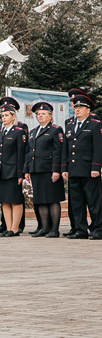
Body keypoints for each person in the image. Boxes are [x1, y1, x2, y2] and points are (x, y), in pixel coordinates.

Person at [61, 94, 102, 240]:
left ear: (88, 110)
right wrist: (64, 168)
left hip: (88, 169)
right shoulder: (70, 125)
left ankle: (98, 228)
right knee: (76, 202)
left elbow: (98, 148)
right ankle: (80, 229)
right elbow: (66, 148)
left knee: (93, 201)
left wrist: (96, 167)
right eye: (76, 107)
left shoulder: (95, 124)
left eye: (81, 107)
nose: (77, 110)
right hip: (73, 168)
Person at [24, 102, 64, 238]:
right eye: (38, 114)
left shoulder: (55, 130)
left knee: (52, 199)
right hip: (36, 169)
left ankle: (54, 229)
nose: (40, 116)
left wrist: (56, 170)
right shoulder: (33, 131)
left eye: (43, 114)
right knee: (40, 199)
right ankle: (45, 228)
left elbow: (58, 151)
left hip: (49, 170)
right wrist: (27, 170)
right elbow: (28, 152)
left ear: (50, 116)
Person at [0, 96, 30, 234]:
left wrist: (20, 173)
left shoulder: (18, 132)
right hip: (0, 171)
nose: (4, 118)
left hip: (13, 171)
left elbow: (21, 154)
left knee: (15, 200)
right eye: (2, 115)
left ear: (13, 116)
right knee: (4, 201)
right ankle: (8, 228)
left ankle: (15, 228)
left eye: (7, 115)